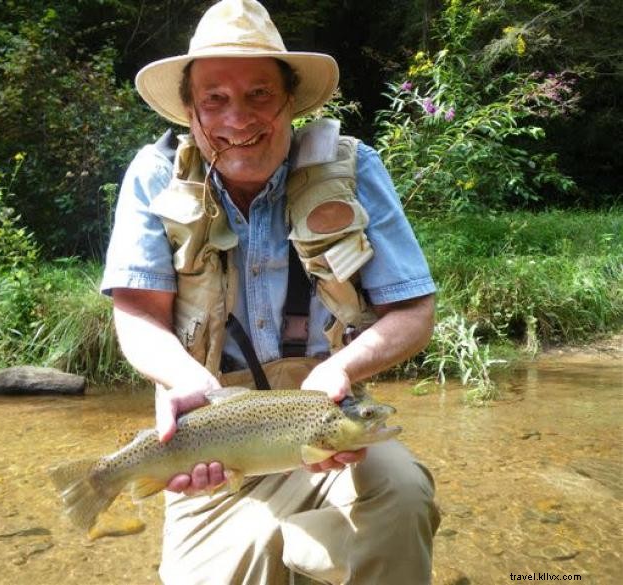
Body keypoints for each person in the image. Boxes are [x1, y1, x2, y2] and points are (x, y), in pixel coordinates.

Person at [101, 0, 440, 583]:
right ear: (190, 110)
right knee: (246, 558)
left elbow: (413, 310)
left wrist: (341, 372)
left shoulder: (354, 169)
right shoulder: (153, 176)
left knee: (404, 495)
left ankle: (315, 555)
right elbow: (136, 316)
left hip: (322, 419)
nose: (238, 118)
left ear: (289, 100)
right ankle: (297, 554)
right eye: (215, 99)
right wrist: (185, 382)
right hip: (210, 431)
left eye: (259, 94)